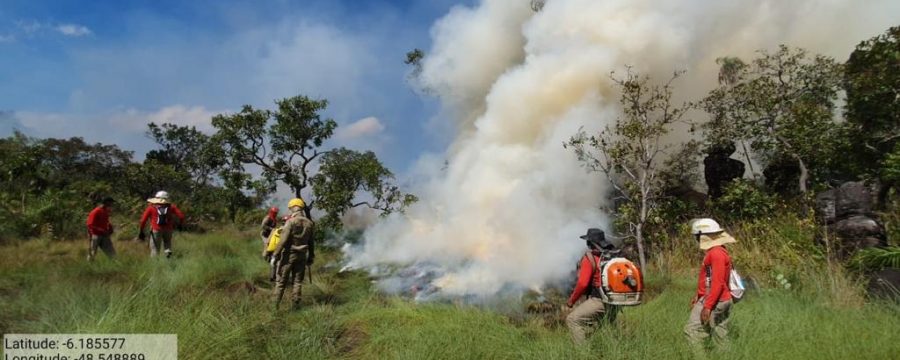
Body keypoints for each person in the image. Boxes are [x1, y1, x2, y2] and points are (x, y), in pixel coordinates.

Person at [684, 218, 737, 352]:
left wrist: (707, 306)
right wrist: (699, 296)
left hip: (716, 300)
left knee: (692, 331)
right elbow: (709, 277)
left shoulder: (716, 254)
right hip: (721, 298)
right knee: (720, 335)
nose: (696, 239)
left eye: (697, 236)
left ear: (703, 235)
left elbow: (718, 282)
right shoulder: (717, 251)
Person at [563, 228, 619, 344]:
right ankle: (613, 351)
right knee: (605, 327)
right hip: (615, 300)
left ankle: (583, 354)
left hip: (599, 300)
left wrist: (571, 301)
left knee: (573, 320)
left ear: (590, 243)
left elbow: (582, 284)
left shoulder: (590, 258)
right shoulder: (612, 255)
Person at [272, 198, 315, 310]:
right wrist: (311, 257)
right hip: (302, 256)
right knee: (297, 282)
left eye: (290, 208)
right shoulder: (309, 223)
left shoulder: (290, 222)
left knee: (281, 283)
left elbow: (283, 240)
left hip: (288, 256)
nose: (290, 210)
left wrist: (275, 255)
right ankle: (296, 306)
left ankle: (274, 307)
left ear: (293, 207)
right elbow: (311, 243)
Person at [138, 190, 186, 258]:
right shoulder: (171, 207)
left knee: (155, 248)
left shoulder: (151, 207)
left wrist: (141, 231)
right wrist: (180, 225)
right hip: (168, 229)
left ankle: (154, 265)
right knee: (167, 244)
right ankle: (168, 255)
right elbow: (181, 216)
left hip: (156, 230)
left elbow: (143, 220)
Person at [86, 197, 117, 261]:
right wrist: (101, 230)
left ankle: (116, 266)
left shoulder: (105, 211)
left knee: (112, 253)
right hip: (95, 235)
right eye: (111, 202)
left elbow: (106, 221)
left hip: (104, 235)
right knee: (92, 253)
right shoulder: (96, 211)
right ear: (106, 202)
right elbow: (90, 225)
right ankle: (89, 267)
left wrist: (110, 228)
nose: (112, 204)